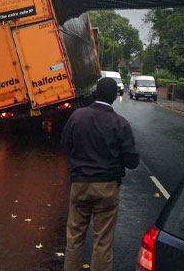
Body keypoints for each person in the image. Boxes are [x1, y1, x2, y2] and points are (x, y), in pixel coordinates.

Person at [61, 77, 139, 271]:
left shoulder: (77, 116)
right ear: (115, 97)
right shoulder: (120, 124)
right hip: (107, 187)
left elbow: (65, 145)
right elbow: (132, 161)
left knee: (74, 238)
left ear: (96, 93)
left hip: (80, 184)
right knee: (103, 241)